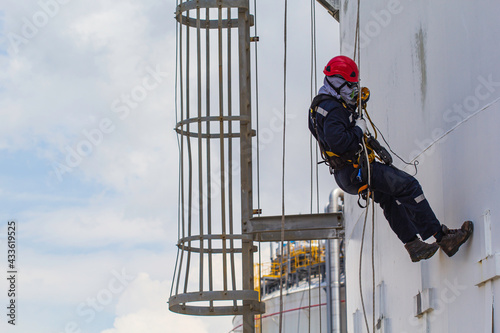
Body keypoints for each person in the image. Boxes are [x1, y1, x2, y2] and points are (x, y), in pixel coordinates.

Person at [308, 55, 473, 262]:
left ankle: (414, 245)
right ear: (338, 82)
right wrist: (358, 129)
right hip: (356, 170)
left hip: (346, 175)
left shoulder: (318, 108)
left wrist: (352, 117)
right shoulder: (333, 109)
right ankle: (443, 238)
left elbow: (328, 137)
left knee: (388, 199)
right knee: (409, 186)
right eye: (350, 85)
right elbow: (340, 142)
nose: (353, 90)